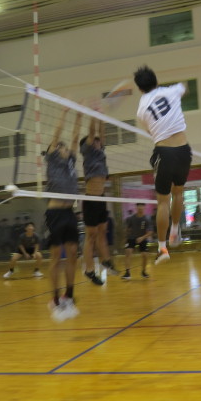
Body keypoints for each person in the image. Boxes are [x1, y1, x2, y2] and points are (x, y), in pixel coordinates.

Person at [135, 65, 192, 265]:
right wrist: (179, 89)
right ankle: (175, 229)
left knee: (162, 202)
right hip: (184, 150)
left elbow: (152, 132)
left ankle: (162, 248)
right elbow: (185, 87)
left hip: (164, 153)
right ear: (156, 81)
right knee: (178, 192)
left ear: (140, 88)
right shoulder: (171, 91)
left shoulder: (141, 109)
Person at [45, 107, 81, 321]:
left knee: (73, 253)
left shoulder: (71, 162)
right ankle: (55, 297)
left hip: (69, 212)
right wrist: (64, 113)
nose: (64, 147)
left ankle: (70, 294)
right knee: (57, 255)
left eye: (65, 146)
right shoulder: (52, 160)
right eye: (60, 146)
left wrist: (79, 115)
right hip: (55, 212)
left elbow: (75, 138)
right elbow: (56, 135)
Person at [80, 114, 118, 285]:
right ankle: (89, 270)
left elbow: (102, 135)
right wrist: (93, 116)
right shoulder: (88, 153)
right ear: (87, 145)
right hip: (91, 199)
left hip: (101, 198)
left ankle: (106, 260)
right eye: (94, 141)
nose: (97, 142)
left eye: (97, 141)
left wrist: (101, 118)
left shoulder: (100, 153)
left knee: (103, 231)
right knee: (91, 236)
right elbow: (92, 133)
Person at [122, 203, 153, 280]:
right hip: (131, 238)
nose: (140, 208)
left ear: (144, 208)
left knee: (145, 255)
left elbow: (150, 232)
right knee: (128, 252)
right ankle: (127, 273)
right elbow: (126, 229)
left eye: (142, 207)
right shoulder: (131, 218)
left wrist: (142, 238)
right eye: (139, 207)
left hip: (142, 239)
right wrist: (125, 238)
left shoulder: (147, 219)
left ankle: (143, 272)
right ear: (136, 208)